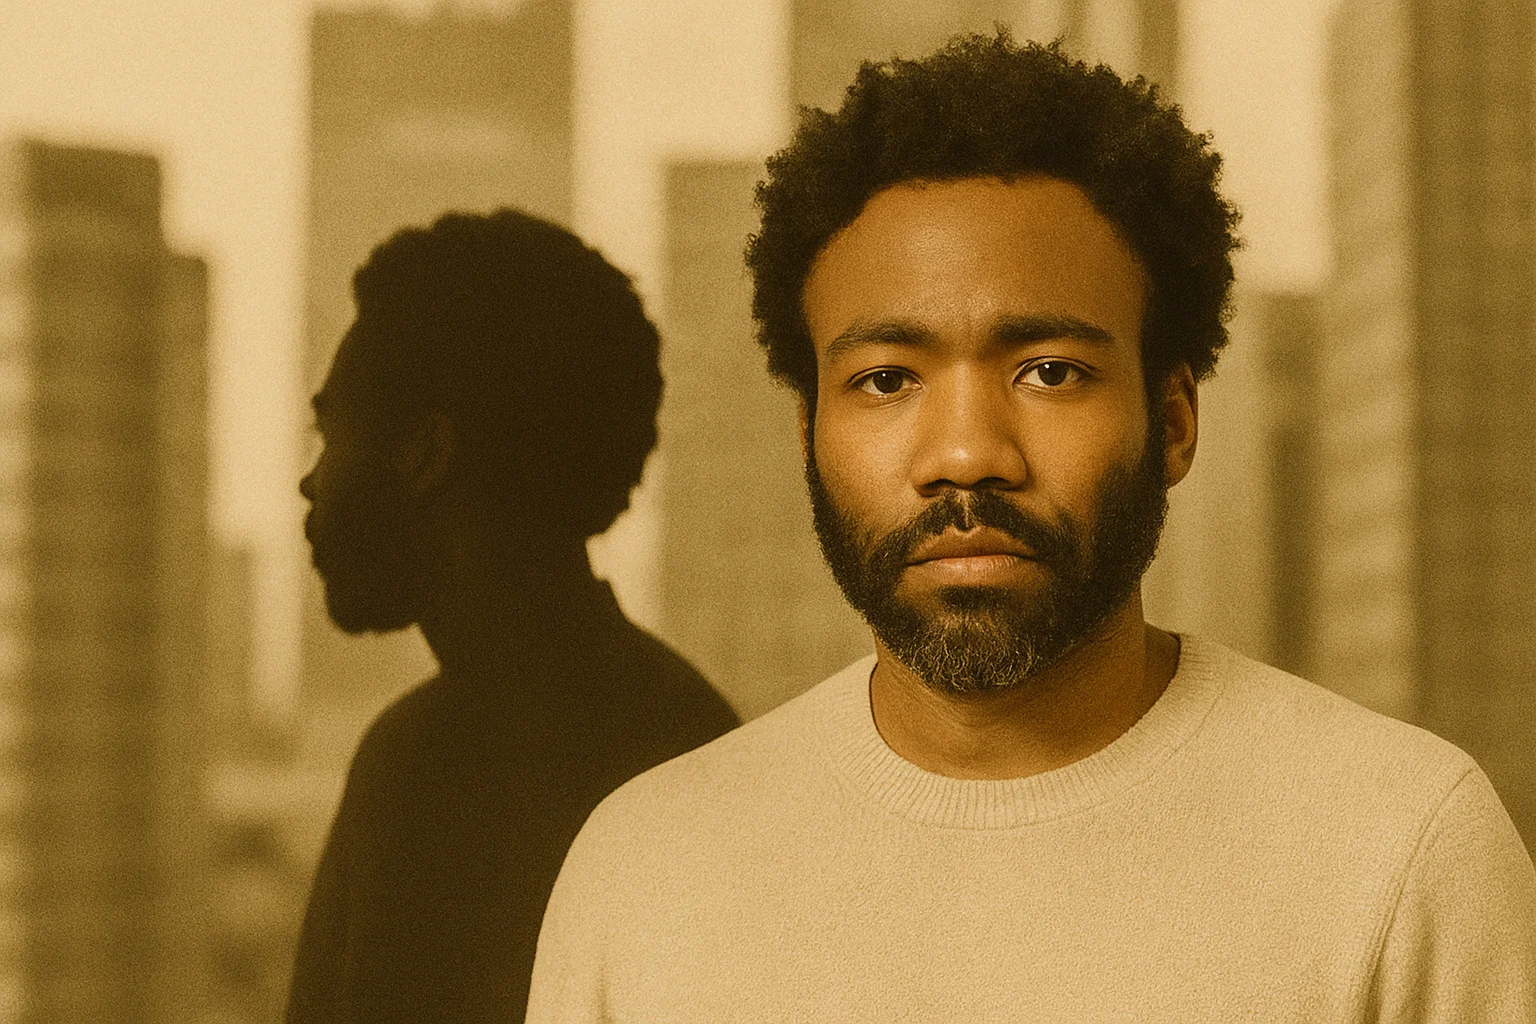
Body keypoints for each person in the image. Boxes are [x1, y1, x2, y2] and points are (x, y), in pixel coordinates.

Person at [525, 33, 1536, 1022]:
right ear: (809, 434)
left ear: (1174, 420)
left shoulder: (1401, 846)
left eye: (1049, 370)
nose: (966, 453)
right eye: (886, 380)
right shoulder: (647, 876)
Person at [287, 210, 739, 1024]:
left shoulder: (420, 766)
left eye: (328, 433)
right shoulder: (696, 743)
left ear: (425, 454)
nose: (310, 484)